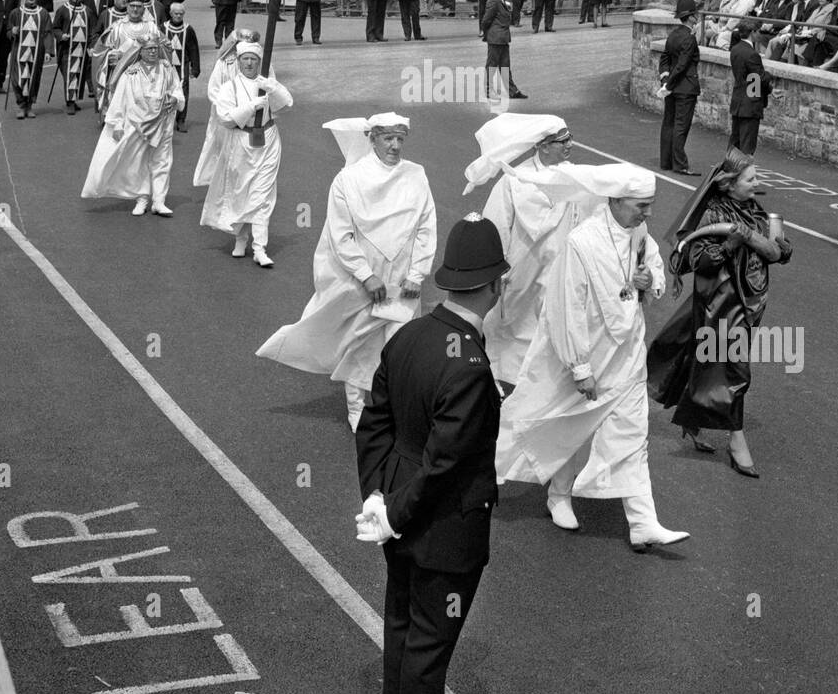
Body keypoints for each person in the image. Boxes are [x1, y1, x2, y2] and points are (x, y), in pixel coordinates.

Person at [354, 213, 509, 694]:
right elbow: (446, 462)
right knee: (428, 654)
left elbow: (374, 422)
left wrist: (377, 497)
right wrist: (394, 513)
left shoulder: (410, 335)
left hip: (398, 513)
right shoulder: (469, 364)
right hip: (442, 530)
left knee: (401, 633)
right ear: (493, 285)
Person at [496, 161, 688, 549]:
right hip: (587, 358)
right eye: (641, 205)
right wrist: (580, 367)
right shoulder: (582, 242)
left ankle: (642, 521)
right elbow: (565, 306)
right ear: (615, 200)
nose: (647, 213)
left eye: (650, 205)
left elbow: (654, 269)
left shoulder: (640, 233)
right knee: (570, 426)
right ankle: (556, 494)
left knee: (633, 435)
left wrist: (650, 279)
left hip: (628, 354)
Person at [256, 114, 437, 430]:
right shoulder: (349, 179)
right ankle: (356, 409)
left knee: (399, 347)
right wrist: (366, 275)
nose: (395, 145)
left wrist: (417, 273)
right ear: (373, 138)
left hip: (402, 280)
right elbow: (341, 234)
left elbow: (426, 225)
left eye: (400, 139)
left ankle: (390, 409)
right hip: (363, 281)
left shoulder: (416, 175)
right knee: (360, 345)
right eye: (388, 138)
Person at [648, 149, 793, 477]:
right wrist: (731, 245)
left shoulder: (754, 208)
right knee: (734, 371)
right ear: (729, 184)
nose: (757, 183)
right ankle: (736, 441)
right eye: (750, 178)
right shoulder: (714, 214)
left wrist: (783, 249)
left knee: (706, 360)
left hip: (751, 300)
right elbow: (701, 260)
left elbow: (771, 251)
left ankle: (691, 418)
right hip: (721, 301)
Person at [464, 114, 589, 386]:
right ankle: (497, 386)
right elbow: (495, 228)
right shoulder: (513, 181)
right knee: (510, 331)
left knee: (550, 328)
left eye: (570, 139)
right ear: (543, 146)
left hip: (557, 270)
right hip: (520, 273)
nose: (569, 145)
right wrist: (495, 272)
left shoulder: (575, 178)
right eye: (561, 141)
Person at [199, 36, 293, 266]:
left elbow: (287, 103)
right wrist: (251, 106)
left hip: (268, 140)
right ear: (238, 61)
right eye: (245, 59)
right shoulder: (228, 87)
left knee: (262, 196)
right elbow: (226, 118)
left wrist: (274, 88)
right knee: (241, 192)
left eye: (253, 59)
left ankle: (260, 247)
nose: (249, 64)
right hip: (241, 142)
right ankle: (240, 238)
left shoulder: (265, 82)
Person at [80, 34, 185, 216]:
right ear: (140, 51)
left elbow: (177, 88)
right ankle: (142, 198)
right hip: (137, 124)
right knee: (139, 163)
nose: (153, 51)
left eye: (155, 48)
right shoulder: (131, 73)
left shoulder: (167, 68)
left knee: (162, 161)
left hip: (163, 122)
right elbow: (119, 99)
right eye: (148, 49)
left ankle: (159, 201)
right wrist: (117, 124)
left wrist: (176, 99)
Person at [659, 0, 701, 174]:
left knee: (669, 123)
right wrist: (668, 85)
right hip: (685, 87)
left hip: (672, 87)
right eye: (695, 14)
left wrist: (665, 80)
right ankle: (680, 164)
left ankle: (666, 161)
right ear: (691, 17)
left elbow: (665, 59)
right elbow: (683, 65)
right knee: (681, 126)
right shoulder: (689, 38)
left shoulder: (674, 34)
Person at [7, 0, 55, 119]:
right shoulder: (15, 13)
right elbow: (8, 32)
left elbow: (47, 33)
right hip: (19, 52)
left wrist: (48, 51)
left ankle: (29, 106)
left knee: (33, 78)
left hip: (36, 52)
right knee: (18, 79)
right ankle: (21, 105)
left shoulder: (43, 13)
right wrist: (12, 32)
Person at [480, 0, 526, 103]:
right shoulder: (494, 0)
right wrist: (489, 34)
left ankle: (512, 91)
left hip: (502, 38)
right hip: (496, 38)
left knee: (505, 66)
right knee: (492, 65)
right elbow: (485, 21)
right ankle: (489, 91)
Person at [728, 19, 771, 155]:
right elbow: (758, 78)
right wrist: (769, 76)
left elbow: (751, 80)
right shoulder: (752, 54)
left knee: (735, 143)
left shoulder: (735, 49)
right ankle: (743, 174)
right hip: (750, 104)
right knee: (747, 146)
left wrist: (770, 90)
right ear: (752, 32)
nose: (759, 34)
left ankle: (731, 172)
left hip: (739, 101)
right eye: (758, 31)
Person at [52, 0, 93, 115]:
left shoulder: (87, 10)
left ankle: (74, 100)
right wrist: (61, 35)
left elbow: (93, 30)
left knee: (79, 75)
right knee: (70, 75)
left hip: (83, 49)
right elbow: (55, 28)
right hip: (68, 51)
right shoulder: (63, 10)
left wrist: (92, 46)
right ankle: (69, 101)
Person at [162, 2, 201, 132]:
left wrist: (195, 68)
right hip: (166, 66)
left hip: (182, 67)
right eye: (176, 13)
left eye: (181, 14)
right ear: (171, 13)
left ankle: (181, 120)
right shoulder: (163, 28)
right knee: (165, 91)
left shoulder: (188, 29)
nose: (178, 16)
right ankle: (165, 120)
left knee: (183, 92)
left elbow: (194, 49)